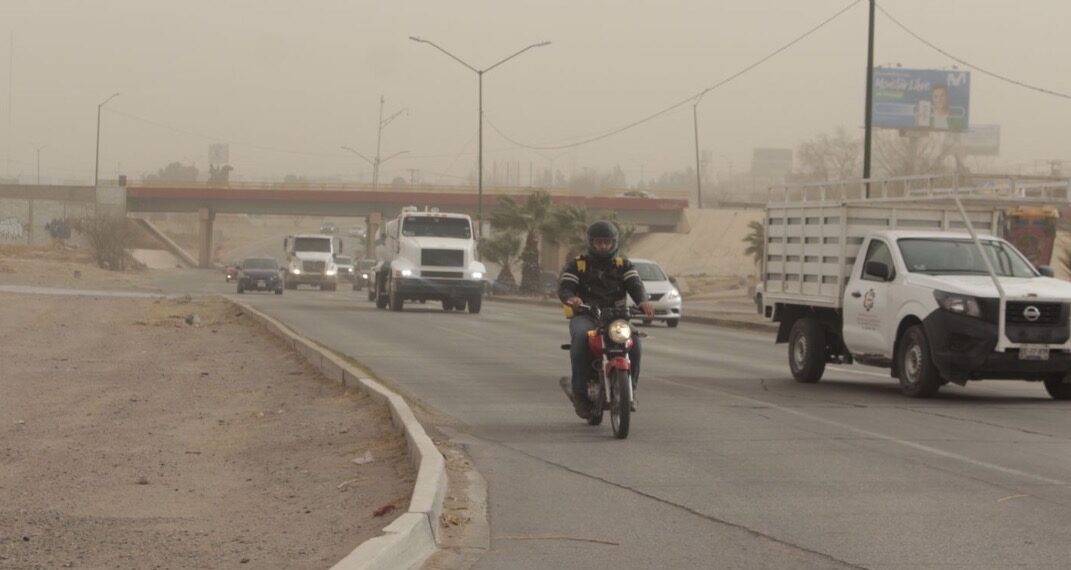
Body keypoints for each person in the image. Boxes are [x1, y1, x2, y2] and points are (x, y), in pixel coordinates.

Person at [558, 221, 654, 419]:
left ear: (614, 243)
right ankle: (580, 395)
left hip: (616, 318)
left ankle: (631, 390)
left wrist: (643, 301)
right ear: (591, 243)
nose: (603, 246)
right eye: (599, 242)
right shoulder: (579, 264)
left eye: (607, 242)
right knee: (580, 339)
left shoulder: (622, 264)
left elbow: (635, 284)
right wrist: (572, 298)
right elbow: (565, 286)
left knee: (634, 342)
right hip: (587, 316)